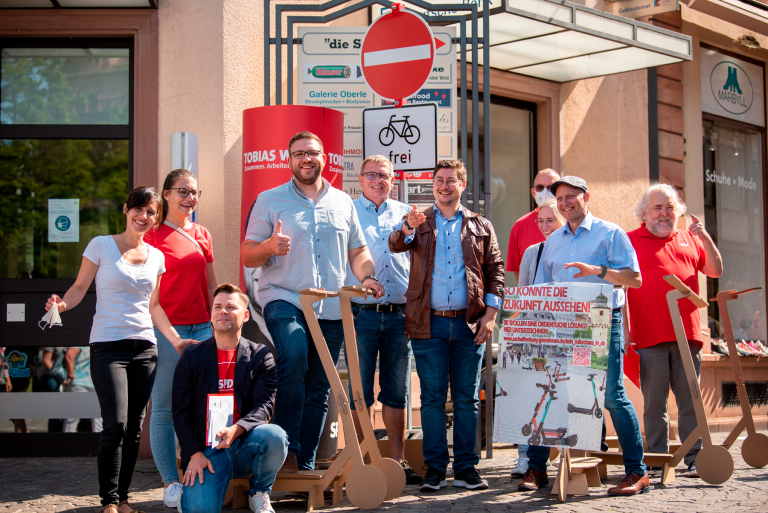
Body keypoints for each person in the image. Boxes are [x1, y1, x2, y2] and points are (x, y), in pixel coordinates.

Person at [44, 186, 198, 513]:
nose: (143, 216)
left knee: (134, 429)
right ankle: (109, 501)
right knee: (115, 425)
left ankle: (123, 500)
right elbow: (80, 287)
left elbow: (154, 306)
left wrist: (175, 340)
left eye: (151, 212)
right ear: (127, 210)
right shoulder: (101, 245)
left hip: (145, 349)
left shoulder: (156, 257)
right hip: (108, 346)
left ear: (156, 218)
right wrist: (62, 304)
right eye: (138, 209)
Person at [241, 131, 385, 473]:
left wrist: (367, 277)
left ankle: (303, 465)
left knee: (320, 384)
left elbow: (358, 251)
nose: (306, 159)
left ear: (324, 157)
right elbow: (248, 254)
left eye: (312, 152)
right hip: (285, 297)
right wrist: (269, 247)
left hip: (330, 305)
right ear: (289, 159)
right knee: (293, 358)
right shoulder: (269, 199)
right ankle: (285, 454)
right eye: (299, 153)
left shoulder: (343, 202)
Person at [520, 176, 648, 496]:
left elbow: (634, 279)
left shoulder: (611, 233)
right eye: (560, 198)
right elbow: (541, 288)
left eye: (571, 196)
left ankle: (637, 472)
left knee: (611, 395)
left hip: (600, 320)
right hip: (562, 322)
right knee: (551, 390)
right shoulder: (553, 241)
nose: (565, 203)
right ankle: (537, 467)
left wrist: (598, 271)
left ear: (586, 197)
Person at [389, 159, 504, 492]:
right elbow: (395, 244)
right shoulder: (418, 221)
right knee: (432, 399)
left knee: (467, 399)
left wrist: (491, 315)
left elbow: (495, 270)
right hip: (429, 325)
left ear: (462, 185)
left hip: (470, 324)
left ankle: (467, 467)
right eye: (439, 180)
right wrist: (407, 227)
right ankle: (436, 468)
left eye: (451, 180)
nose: (444, 186)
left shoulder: (481, 225)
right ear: (433, 185)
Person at [626, 183, 723, 478]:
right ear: (644, 213)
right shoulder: (629, 241)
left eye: (670, 207)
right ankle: (656, 459)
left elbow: (716, 271)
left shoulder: (690, 239)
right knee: (654, 404)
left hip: (687, 335)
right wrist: (625, 330)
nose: (665, 213)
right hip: (649, 334)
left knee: (691, 401)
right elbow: (619, 288)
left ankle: (695, 458)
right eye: (657, 208)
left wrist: (705, 237)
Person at [173, 283, 287, 513]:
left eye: (231, 307)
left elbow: (264, 407)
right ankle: (190, 493)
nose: (223, 311)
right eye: (218, 307)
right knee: (199, 509)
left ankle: (259, 492)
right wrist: (194, 454)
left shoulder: (260, 355)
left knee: (275, 436)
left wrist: (236, 430)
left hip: (245, 443)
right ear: (211, 314)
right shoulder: (191, 356)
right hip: (206, 450)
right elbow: (181, 411)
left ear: (245, 316)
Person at [344, 155, 421, 485]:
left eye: (385, 175)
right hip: (359, 315)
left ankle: (396, 463)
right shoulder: (347, 212)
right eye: (371, 175)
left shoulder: (407, 215)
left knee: (395, 392)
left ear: (393, 180)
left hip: (399, 316)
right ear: (360, 179)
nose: (378, 180)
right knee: (359, 393)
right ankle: (360, 463)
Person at [144, 168, 217, 508]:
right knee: (164, 407)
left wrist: (217, 325)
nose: (190, 198)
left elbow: (212, 285)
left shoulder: (202, 234)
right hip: (165, 329)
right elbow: (148, 294)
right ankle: (170, 483)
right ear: (167, 194)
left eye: (194, 192)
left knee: (207, 405)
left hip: (203, 328)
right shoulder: (152, 235)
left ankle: (202, 472)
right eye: (183, 191)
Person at [510, 198, 565, 478]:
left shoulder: (575, 251)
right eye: (541, 221)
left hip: (568, 334)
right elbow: (523, 297)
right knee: (533, 394)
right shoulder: (533, 252)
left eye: (550, 220)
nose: (545, 226)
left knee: (566, 394)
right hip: (537, 335)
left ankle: (570, 458)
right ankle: (526, 458)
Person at [506, 169, 560, 282]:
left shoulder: (571, 222)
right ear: (533, 192)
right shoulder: (519, 226)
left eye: (551, 187)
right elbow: (519, 272)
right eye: (540, 187)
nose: (545, 192)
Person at [63, 346, 103, 433]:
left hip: (93, 383)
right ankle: (67, 440)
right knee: (74, 416)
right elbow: (69, 356)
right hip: (79, 382)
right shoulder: (80, 340)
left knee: (98, 416)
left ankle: (99, 440)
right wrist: (71, 375)